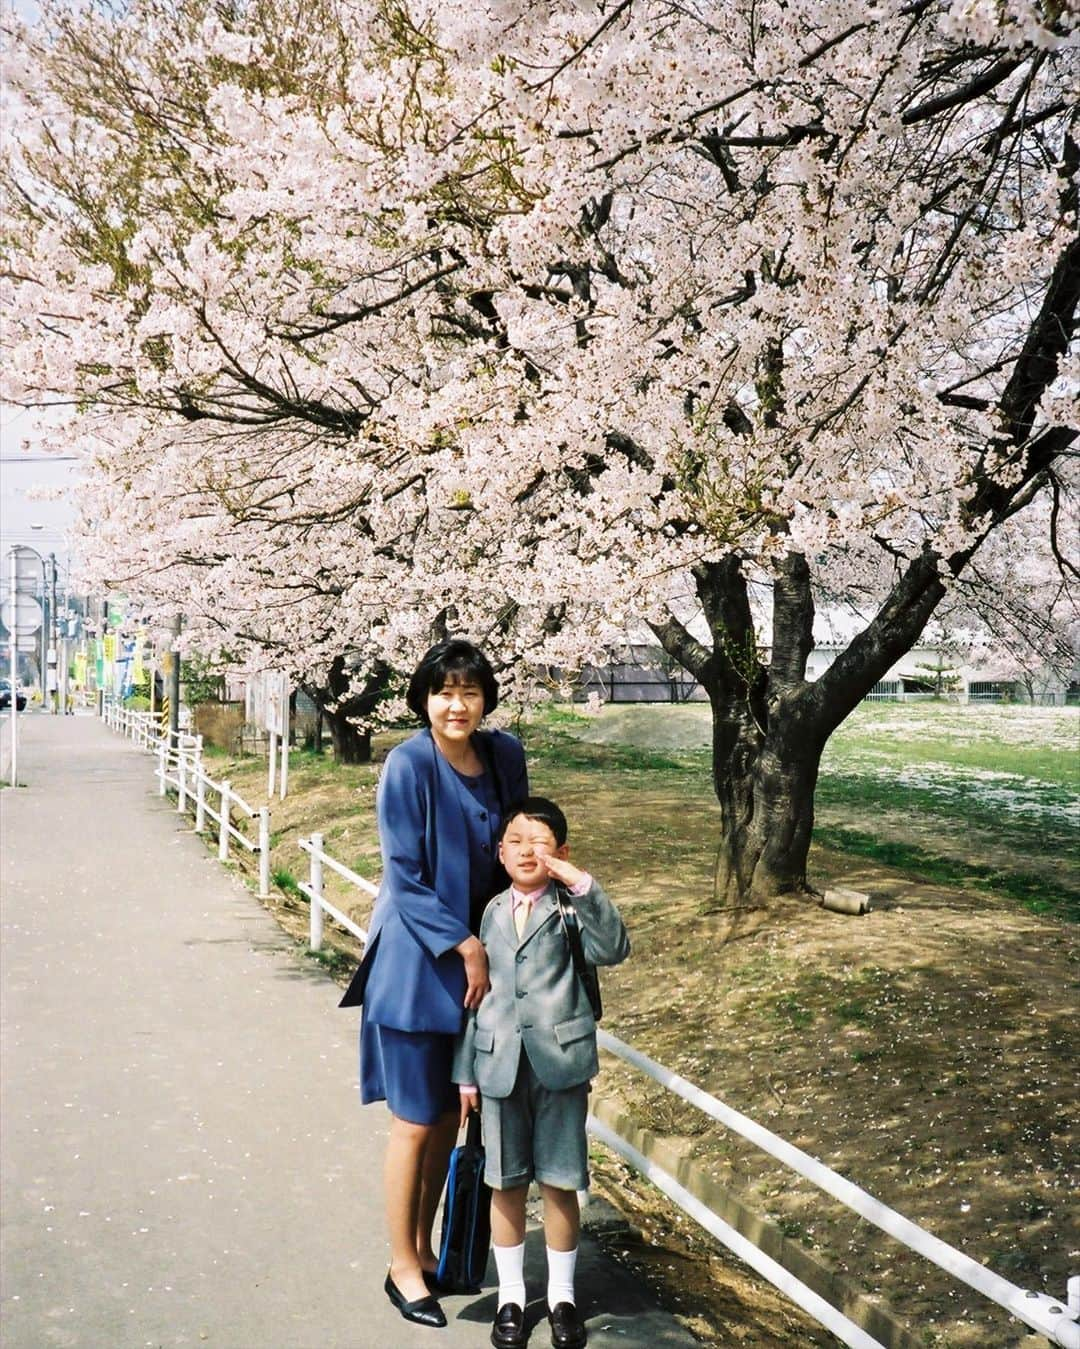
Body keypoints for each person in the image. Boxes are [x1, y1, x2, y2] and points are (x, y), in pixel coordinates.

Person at [338, 639, 528, 1329]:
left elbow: (516, 845)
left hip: (481, 972)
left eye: (470, 691)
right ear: (424, 697)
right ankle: (401, 1264)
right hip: (419, 967)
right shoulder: (409, 764)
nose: (457, 704)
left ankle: (426, 1243)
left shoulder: (503, 757)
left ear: (486, 698)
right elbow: (406, 875)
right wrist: (465, 942)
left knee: (451, 1120)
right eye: (445, 691)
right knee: (414, 1122)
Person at [454, 797, 630, 1349]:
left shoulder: (571, 908)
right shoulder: (490, 912)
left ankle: (561, 1297)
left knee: (559, 1182)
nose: (527, 850)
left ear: (561, 854)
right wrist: (466, 1074)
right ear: (501, 853)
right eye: (516, 841)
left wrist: (581, 884)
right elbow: (477, 998)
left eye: (541, 842)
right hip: (498, 1064)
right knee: (505, 1185)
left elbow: (614, 947)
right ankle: (510, 1295)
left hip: (560, 1066)